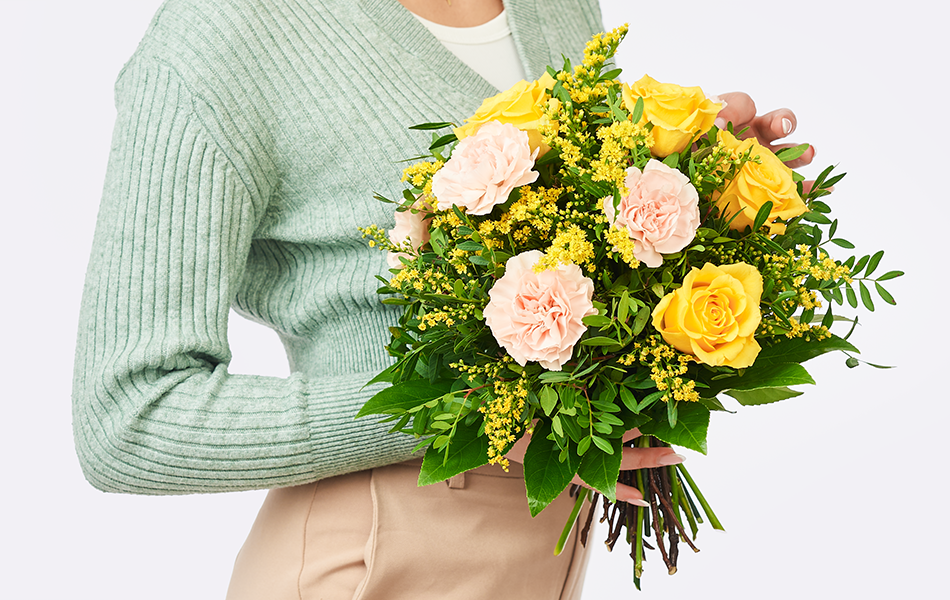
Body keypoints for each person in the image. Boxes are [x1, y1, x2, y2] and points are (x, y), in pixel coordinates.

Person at [72, 1, 813, 598]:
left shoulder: (559, 8)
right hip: (371, 561)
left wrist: (700, 198)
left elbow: (573, 254)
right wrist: (467, 415)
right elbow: (129, 418)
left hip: (541, 562)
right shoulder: (228, 30)